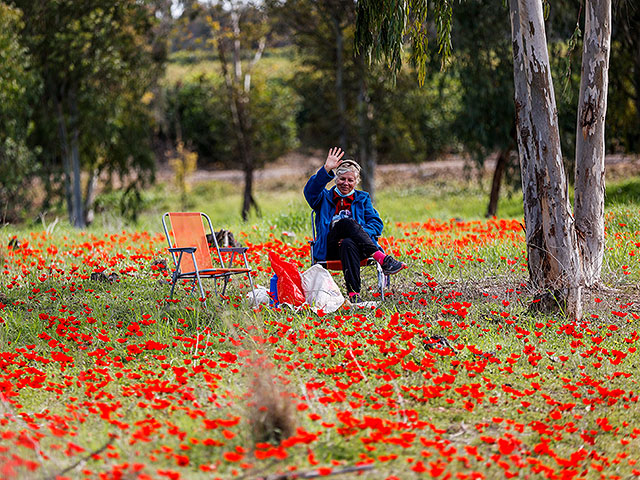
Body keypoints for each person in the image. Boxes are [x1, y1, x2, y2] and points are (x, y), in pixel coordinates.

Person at [304, 146, 406, 303]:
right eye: (342, 179)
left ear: (356, 182)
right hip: (330, 248)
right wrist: (326, 169)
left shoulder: (363, 198)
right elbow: (309, 192)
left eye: (350, 180)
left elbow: (376, 224)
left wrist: (355, 233)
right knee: (345, 223)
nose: (345, 183)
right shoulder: (323, 197)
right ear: (336, 179)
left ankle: (354, 296)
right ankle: (382, 259)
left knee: (348, 241)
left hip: (359, 248)